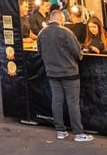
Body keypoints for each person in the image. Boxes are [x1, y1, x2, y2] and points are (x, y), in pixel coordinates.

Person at [36, 9, 93, 142]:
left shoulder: (41, 33)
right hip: (69, 72)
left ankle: (60, 131)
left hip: (51, 72)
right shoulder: (66, 32)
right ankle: (78, 133)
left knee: (57, 100)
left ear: (51, 19)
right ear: (61, 19)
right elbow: (78, 53)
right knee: (73, 102)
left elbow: (39, 52)